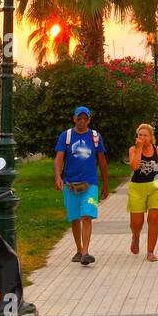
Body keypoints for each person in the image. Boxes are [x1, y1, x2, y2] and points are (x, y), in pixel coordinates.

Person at [54, 106, 109, 266]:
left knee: (86, 216)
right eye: (80, 118)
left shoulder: (95, 137)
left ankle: (85, 252)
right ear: (74, 118)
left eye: (85, 118)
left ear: (89, 120)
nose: (82, 121)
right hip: (70, 183)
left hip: (90, 183)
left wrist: (105, 185)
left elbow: (102, 162)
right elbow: (59, 158)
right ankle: (78, 249)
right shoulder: (67, 136)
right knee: (74, 217)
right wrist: (58, 177)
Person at [127, 123, 158, 261]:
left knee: (153, 219)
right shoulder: (133, 149)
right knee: (137, 222)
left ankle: (150, 251)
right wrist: (139, 148)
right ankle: (136, 235)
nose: (142, 138)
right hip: (137, 188)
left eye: (145, 135)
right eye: (140, 135)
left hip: (156, 187)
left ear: (151, 137)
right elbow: (135, 167)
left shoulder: (157, 150)